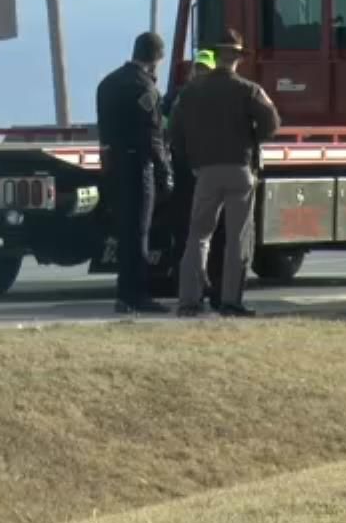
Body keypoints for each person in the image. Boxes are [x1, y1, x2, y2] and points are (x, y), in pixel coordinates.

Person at [169, 29, 281, 318]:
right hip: (240, 169)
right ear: (237, 59)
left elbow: (174, 131)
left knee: (198, 236)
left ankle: (189, 301)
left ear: (216, 57)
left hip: (205, 171)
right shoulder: (249, 90)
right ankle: (231, 301)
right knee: (237, 238)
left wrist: (190, 159)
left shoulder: (190, 91)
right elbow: (272, 123)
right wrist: (253, 138)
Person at [96, 31, 176, 314]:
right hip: (138, 164)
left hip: (114, 163)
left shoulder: (107, 83)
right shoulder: (145, 88)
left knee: (125, 230)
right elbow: (154, 135)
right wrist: (166, 171)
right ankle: (136, 294)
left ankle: (124, 294)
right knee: (140, 232)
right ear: (157, 59)